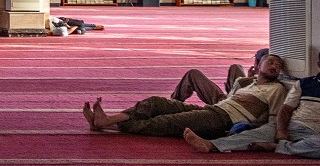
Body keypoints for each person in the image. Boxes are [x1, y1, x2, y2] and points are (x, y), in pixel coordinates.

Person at [184, 47, 320, 158]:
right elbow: (286, 110)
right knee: (253, 134)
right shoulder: (305, 84)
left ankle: (278, 148)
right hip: (292, 125)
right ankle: (211, 145)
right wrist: (281, 131)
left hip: (319, 134)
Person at [82, 54, 289, 139]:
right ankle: (107, 120)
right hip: (213, 110)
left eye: (278, 66)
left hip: (222, 120)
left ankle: (107, 125)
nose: (275, 67)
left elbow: (271, 119)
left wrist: (242, 133)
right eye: (270, 62)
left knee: (164, 122)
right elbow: (228, 97)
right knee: (156, 103)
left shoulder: (277, 89)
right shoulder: (246, 83)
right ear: (258, 65)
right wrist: (246, 80)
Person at [170, 47, 269, 105]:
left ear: (258, 64)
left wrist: (248, 79)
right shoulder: (272, 79)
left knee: (193, 74)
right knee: (236, 67)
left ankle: (173, 103)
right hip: (236, 98)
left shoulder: (255, 80)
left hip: (229, 104)